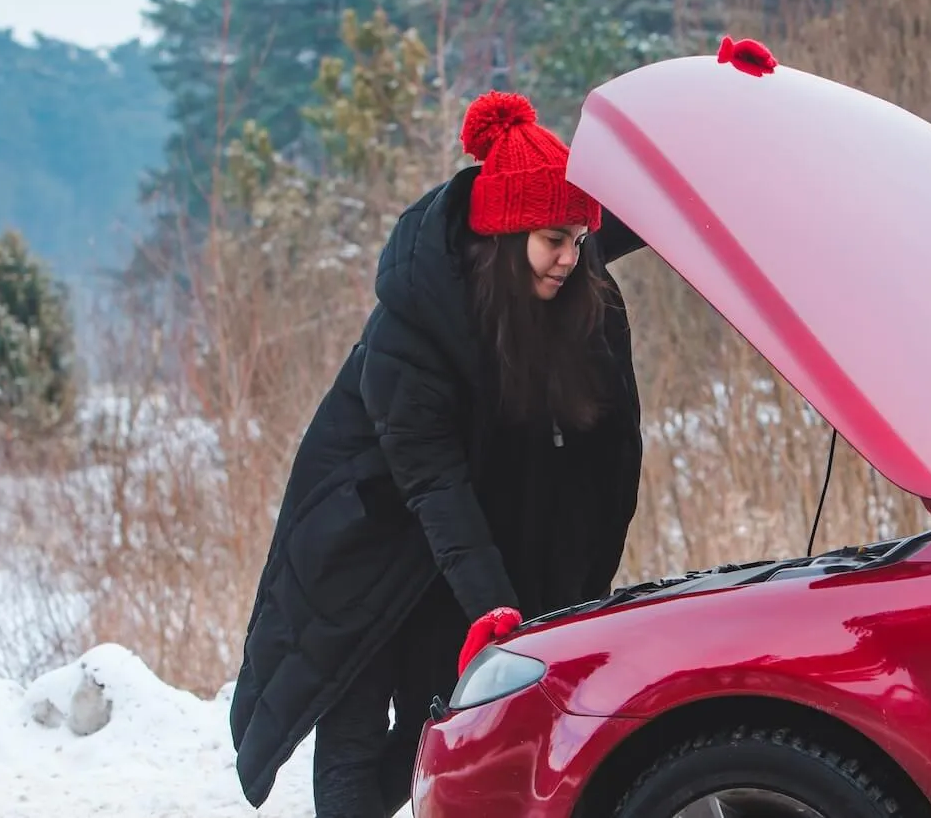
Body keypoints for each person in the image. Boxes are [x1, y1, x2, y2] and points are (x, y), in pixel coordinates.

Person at [229, 89, 646, 817]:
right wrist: (495, 605)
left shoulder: (555, 278)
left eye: (580, 240)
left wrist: (720, 145)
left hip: (448, 547)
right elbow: (435, 486)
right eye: (557, 240)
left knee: (439, 727)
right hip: (363, 540)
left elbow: (638, 218)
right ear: (506, 235)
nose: (571, 257)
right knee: (357, 742)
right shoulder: (413, 328)